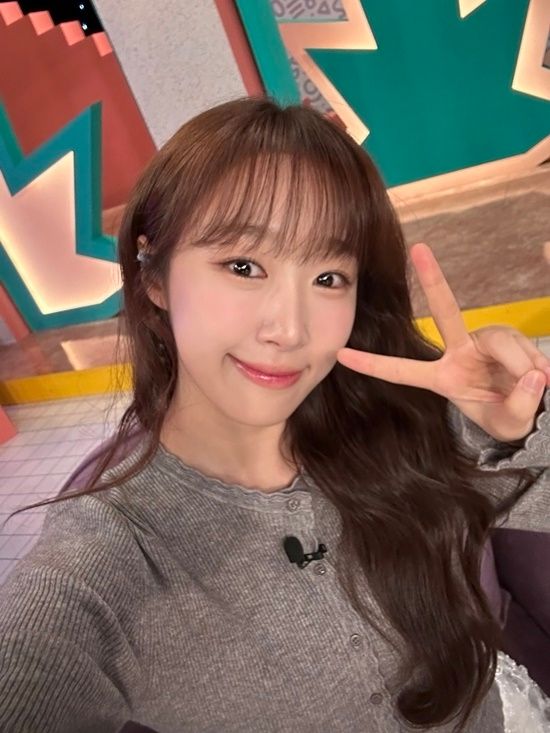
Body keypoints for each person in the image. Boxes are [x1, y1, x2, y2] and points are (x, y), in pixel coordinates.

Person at [1, 97, 549, 733]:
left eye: (329, 278)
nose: (290, 330)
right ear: (154, 277)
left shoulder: (404, 419)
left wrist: (521, 432)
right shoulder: (106, 561)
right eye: (243, 266)